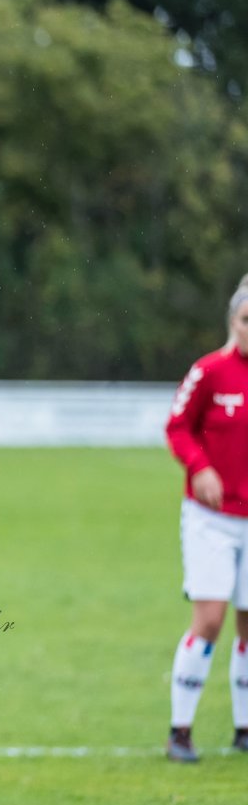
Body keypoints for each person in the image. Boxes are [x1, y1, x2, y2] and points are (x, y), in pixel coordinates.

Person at [164, 274, 248, 762]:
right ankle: (180, 731)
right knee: (211, 620)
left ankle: (243, 728)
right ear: (232, 322)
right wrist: (200, 467)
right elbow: (177, 426)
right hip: (212, 520)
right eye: (245, 320)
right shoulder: (210, 372)